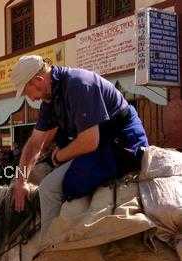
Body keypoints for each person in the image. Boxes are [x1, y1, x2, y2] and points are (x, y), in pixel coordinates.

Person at [10, 55, 148, 232]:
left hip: (121, 143)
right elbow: (34, 144)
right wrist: (21, 180)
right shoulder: (49, 100)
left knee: (50, 188)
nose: (29, 98)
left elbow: (90, 141)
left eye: (27, 92)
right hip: (95, 144)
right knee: (44, 173)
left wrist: (58, 157)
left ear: (38, 80)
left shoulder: (78, 85)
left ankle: (51, 246)